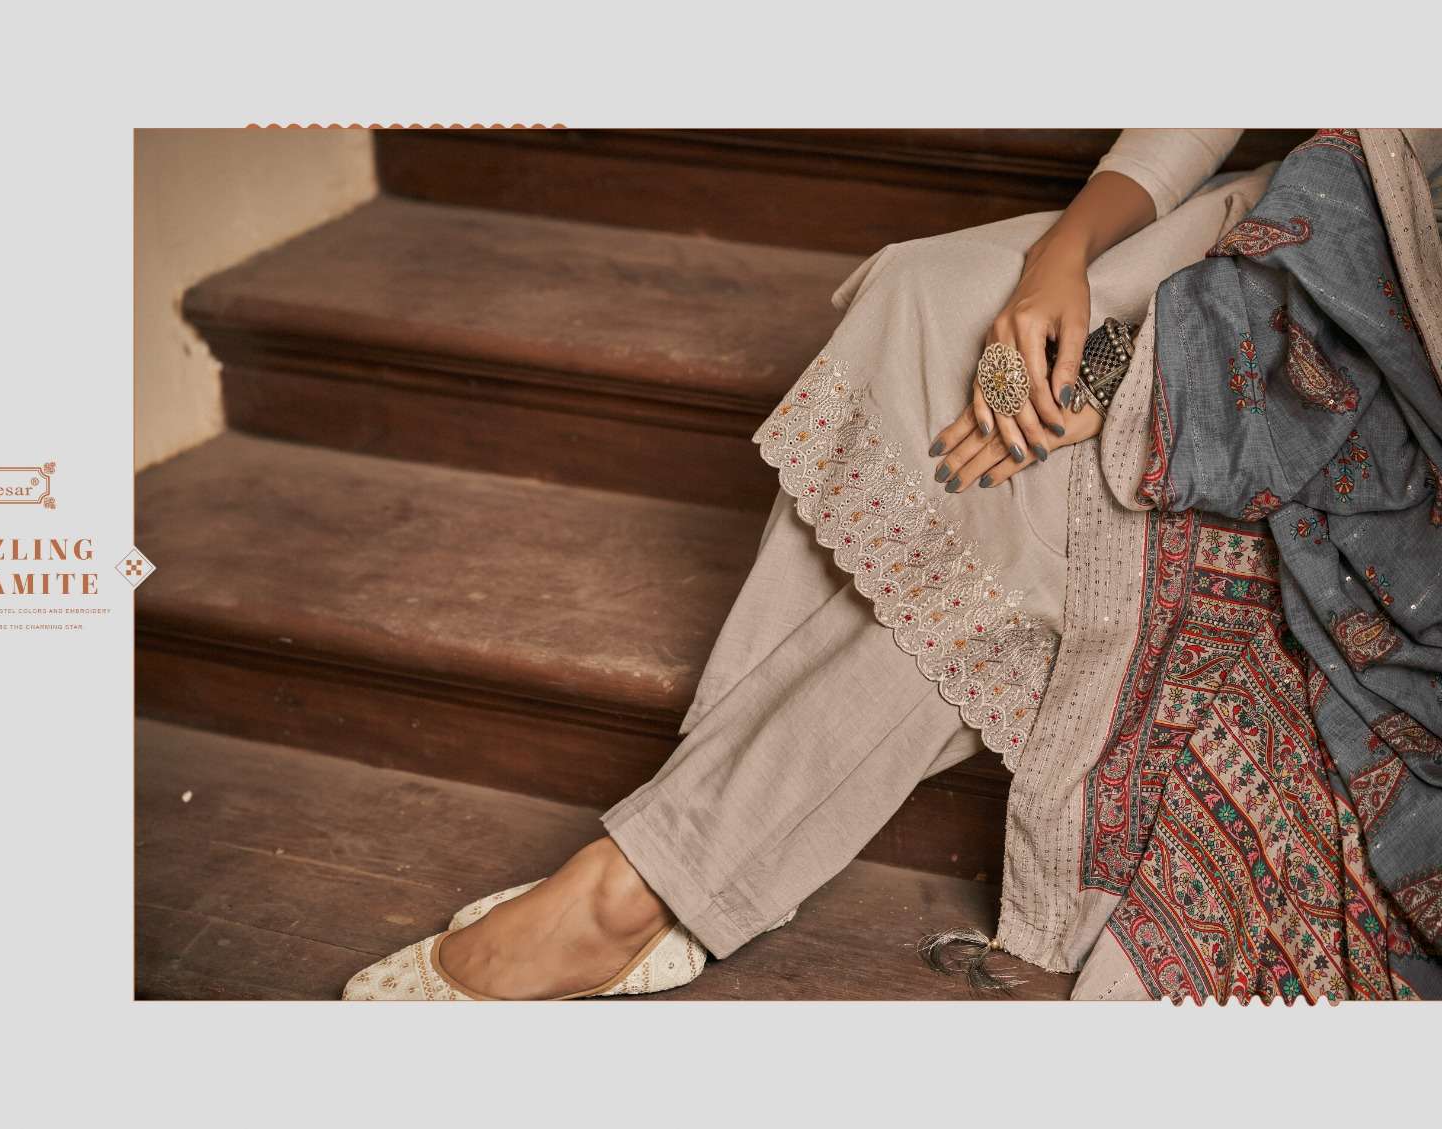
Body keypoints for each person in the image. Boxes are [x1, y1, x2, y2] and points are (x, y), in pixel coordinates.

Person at [345, 129, 1442, 1002]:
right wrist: (1061, 258)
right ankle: (688, 845)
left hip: (1375, 356)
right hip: (1295, 235)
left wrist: (1180, 383)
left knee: (1045, 501)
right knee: (935, 297)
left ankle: (635, 886)